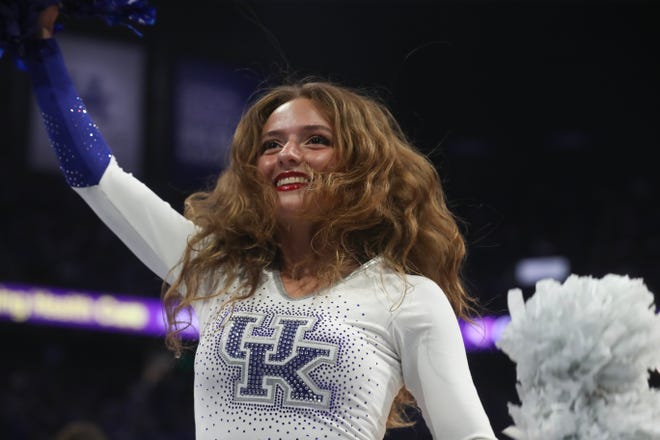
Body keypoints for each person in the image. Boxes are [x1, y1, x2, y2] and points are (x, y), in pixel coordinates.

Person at [18, 4, 498, 439]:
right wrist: (40, 46)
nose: (287, 154)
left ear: (360, 166)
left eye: (315, 141)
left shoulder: (408, 299)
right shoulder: (215, 269)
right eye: (271, 145)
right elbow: (96, 177)